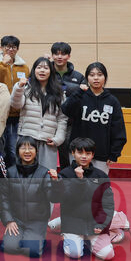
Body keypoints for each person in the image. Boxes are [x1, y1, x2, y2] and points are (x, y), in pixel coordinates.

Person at [54, 138, 122, 261]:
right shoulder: (65, 174)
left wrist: (101, 224)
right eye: (80, 152)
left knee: (108, 255)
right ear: (73, 153)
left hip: (94, 223)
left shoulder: (101, 176)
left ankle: (96, 237)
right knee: (74, 254)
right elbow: (62, 198)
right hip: (73, 222)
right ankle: (66, 231)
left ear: (93, 155)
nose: (84, 156)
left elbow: (107, 204)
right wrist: (79, 181)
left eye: (88, 153)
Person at [61, 62, 127, 173]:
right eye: (92, 75)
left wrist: (114, 153)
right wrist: (79, 92)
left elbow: (118, 129)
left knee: (98, 183)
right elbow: (65, 109)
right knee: (76, 182)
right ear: (87, 78)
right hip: (79, 152)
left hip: (102, 154)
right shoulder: (80, 95)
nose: (96, 78)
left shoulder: (112, 101)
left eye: (99, 75)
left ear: (105, 77)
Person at [0, 137, 56, 258]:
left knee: (32, 251)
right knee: (9, 247)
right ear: (17, 151)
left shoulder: (44, 173)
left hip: (37, 220)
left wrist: (56, 182)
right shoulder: (10, 172)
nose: (27, 151)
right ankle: (25, 238)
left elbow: (54, 198)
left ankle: (36, 237)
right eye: (23, 148)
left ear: (36, 151)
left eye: (30, 148)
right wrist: (9, 220)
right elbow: (4, 198)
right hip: (17, 219)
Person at [10, 57, 68, 170]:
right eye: (39, 67)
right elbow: (16, 105)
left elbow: (62, 118)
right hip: (27, 139)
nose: (42, 70)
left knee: (46, 174)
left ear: (51, 71)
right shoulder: (26, 88)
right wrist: (19, 87)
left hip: (48, 141)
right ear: (34, 70)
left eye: (46, 68)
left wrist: (58, 138)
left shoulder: (59, 93)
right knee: (24, 173)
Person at [50, 41, 87, 169]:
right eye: (56, 54)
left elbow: (83, 99)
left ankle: (67, 176)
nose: (59, 57)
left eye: (63, 54)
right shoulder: (46, 73)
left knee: (67, 153)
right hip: (49, 120)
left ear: (69, 56)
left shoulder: (78, 76)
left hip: (70, 122)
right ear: (52, 55)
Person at [0, 35, 30, 164]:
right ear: (1, 47)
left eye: (14, 47)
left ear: (17, 49)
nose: (10, 49)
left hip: (16, 114)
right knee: (0, 150)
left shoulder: (23, 67)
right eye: (7, 46)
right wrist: (3, 64)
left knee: (13, 150)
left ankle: (13, 174)